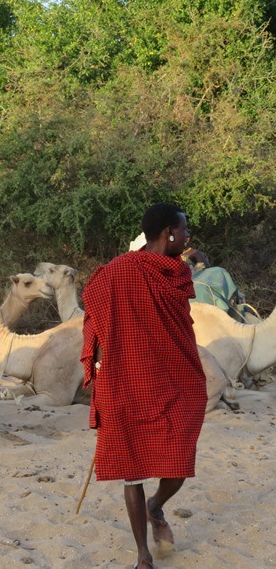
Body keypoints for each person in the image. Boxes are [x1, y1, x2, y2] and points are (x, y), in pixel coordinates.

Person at [80, 203, 207, 569]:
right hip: (126, 379)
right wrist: (99, 362)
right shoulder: (115, 272)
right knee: (132, 469)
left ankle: (157, 505)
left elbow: (180, 325)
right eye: (183, 230)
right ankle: (143, 555)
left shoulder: (175, 272)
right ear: (168, 232)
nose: (187, 237)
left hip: (174, 376)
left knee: (179, 461)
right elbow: (95, 319)